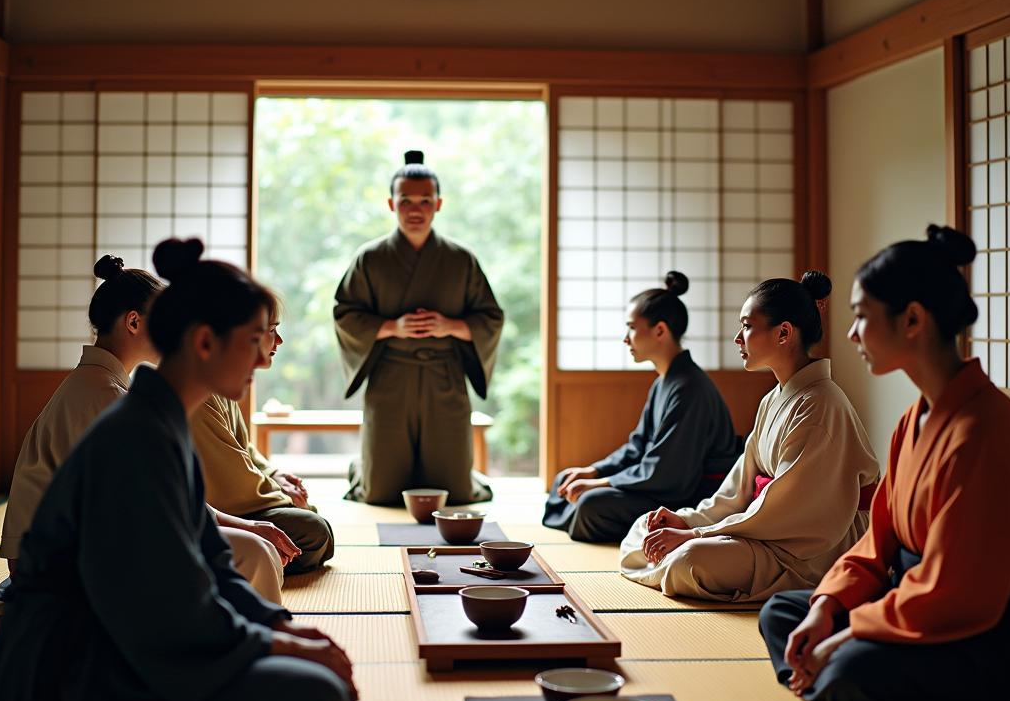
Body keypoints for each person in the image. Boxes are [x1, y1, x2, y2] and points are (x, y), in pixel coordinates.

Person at [0, 238, 356, 701]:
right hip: (66, 673)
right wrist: (277, 648)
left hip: (117, 648)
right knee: (318, 700)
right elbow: (174, 612)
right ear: (205, 343)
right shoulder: (135, 434)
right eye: (256, 341)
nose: (265, 358)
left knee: (318, 690)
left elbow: (211, 560)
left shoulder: (159, 420)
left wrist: (280, 627)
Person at [760, 226, 1010, 701]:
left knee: (855, 667)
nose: (851, 335)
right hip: (906, 597)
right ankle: (825, 676)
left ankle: (830, 675)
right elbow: (878, 542)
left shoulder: (986, 427)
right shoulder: (911, 420)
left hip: (969, 626)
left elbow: (954, 588)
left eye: (860, 316)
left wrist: (845, 636)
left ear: (913, 320)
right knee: (783, 613)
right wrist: (827, 609)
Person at [0, 256, 288, 611]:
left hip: (80, 543)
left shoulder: (100, 385)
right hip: (58, 563)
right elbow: (159, 500)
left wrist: (245, 525)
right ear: (133, 322)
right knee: (252, 553)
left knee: (250, 548)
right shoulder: (101, 395)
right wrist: (247, 529)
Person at [620, 271, 879, 602]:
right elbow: (738, 490)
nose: (737, 338)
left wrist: (693, 536)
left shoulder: (821, 404)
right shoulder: (773, 399)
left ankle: (675, 560)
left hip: (810, 549)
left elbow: (788, 511)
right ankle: (674, 555)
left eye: (746, 326)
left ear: (784, 332)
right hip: (766, 530)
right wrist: (686, 522)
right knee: (645, 527)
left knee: (690, 559)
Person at [334, 150, 504, 505]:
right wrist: (391, 327)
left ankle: (463, 471)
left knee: (456, 494)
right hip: (390, 378)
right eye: (405, 200)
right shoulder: (371, 258)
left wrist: (450, 325)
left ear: (438, 204)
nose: (415, 209)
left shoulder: (461, 259)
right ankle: (362, 468)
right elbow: (345, 313)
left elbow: (490, 317)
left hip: (445, 378)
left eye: (425, 200)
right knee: (379, 493)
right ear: (390, 203)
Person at [542, 271, 741, 542]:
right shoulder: (665, 382)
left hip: (689, 494)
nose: (626, 338)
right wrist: (595, 470)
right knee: (565, 480)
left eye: (632, 328)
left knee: (592, 503)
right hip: (659, 482)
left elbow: (667, 470)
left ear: (660, 330)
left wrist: (601, 483)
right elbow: (638, 446)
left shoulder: (690, 387)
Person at [191, 298, 334, 573]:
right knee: (313, 530)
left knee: (314, 529)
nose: (278, 341)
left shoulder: (219, 379)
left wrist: (275, 474)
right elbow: (229, 480)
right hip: (214, 513)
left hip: (231, 505)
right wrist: (285, 496)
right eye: (271, 331)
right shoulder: (202, 389)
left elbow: (244, 450)